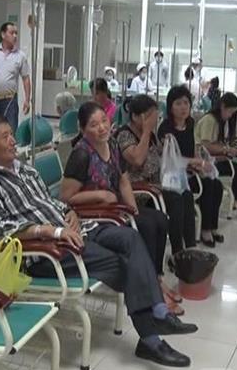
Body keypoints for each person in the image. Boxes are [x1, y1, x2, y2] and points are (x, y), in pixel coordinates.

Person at [0, 114, 198, 368]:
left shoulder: (27, 170)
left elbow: (50, 202)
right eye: (5, 137)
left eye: (12, 134)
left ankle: (159, 312)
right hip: (48, 251)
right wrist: (53, 232)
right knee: (124, 263)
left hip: (78, 229)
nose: (13, 141)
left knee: (131, 237)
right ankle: (152, 337)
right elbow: (4, 230)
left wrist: (69, 212)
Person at [61, 102, 180, 314]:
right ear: (83, 129)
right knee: (146, 227)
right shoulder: (81, 154)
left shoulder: (113, 144)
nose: (102, 128)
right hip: (93, 216)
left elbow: (124, 181)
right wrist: (99, 195)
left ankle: (156, 279)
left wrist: (133, 210)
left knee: (159, 219)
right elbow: (66, 198)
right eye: (94, 125)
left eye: (104, 121)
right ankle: (152, 289)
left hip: (114, 208)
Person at [116, 95, 202, 313]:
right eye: (151, 116)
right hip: (139, 193)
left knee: (184, 196)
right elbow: (137, 160)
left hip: (155, 187)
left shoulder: (153, 135)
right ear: (137, 117)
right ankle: (167, 267)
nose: (156, 120)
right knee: (166, 209)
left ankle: (182, 255)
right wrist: (146, 132)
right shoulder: (124, 135)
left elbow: (162, 158)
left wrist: (172, 149)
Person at [158, 86, 225, 247]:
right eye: (178, 103)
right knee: (206, 186)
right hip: (173, 177)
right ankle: (203, 232)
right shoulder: (165, 129)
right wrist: (196, 163)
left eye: (186, 103)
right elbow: (171, 159)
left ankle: (211, 227)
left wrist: (200, 164)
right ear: (170, 107)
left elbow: (193, 150)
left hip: (189, 172)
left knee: (216, 184)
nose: (183, 107)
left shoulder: (190, 124)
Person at [195, 92, 237, 221]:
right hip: (205, 161)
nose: (231, 115)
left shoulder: (221, 122)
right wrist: (226, 150)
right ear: (222, 106)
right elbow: (205, 146)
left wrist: (229, 150)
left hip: (215, 158)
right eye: (230, 112)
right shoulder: (209, 120)